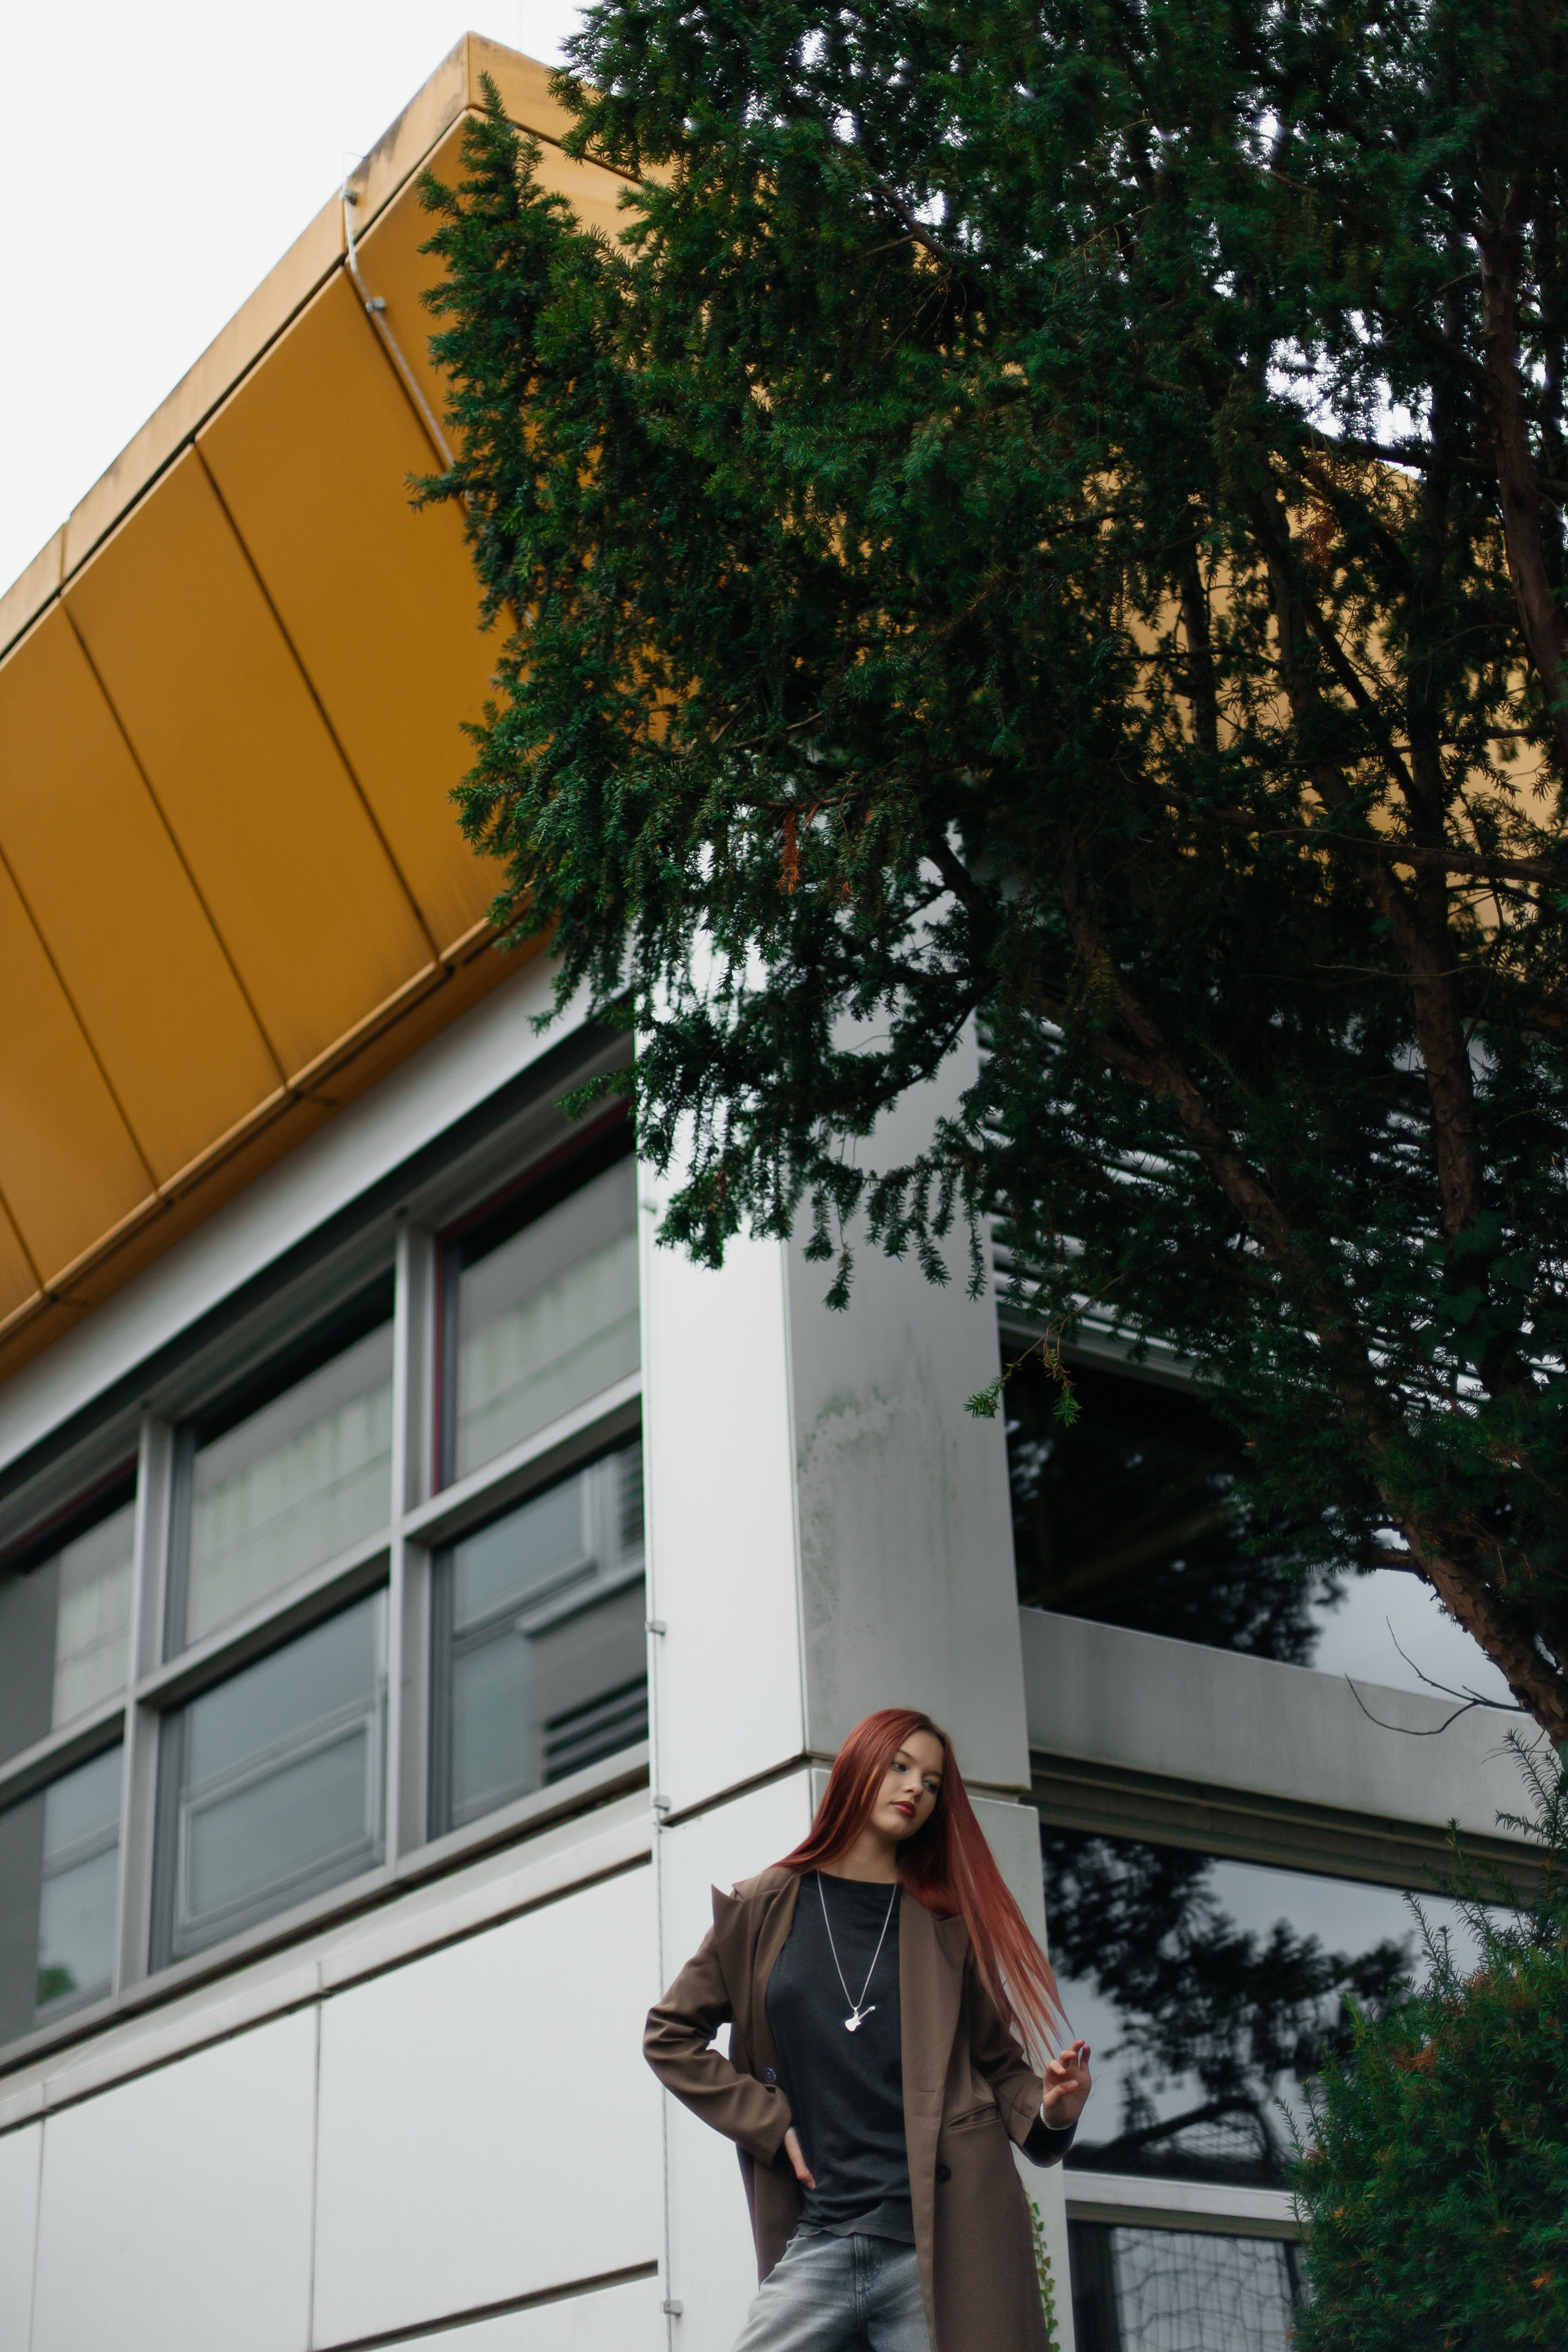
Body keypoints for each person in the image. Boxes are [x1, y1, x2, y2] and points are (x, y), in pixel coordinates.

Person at [644, 1706, 1093, 2351]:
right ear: (857, 1768)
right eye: (900, 1766)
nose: (915, 1788)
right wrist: (768, 2123)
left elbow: (999, 2066)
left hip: (933, 2250)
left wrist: (1051, 2108)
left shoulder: (945, 1929)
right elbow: (670, 2035)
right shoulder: (762, 1909)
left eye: (932, 1782)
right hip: (821, 2240)